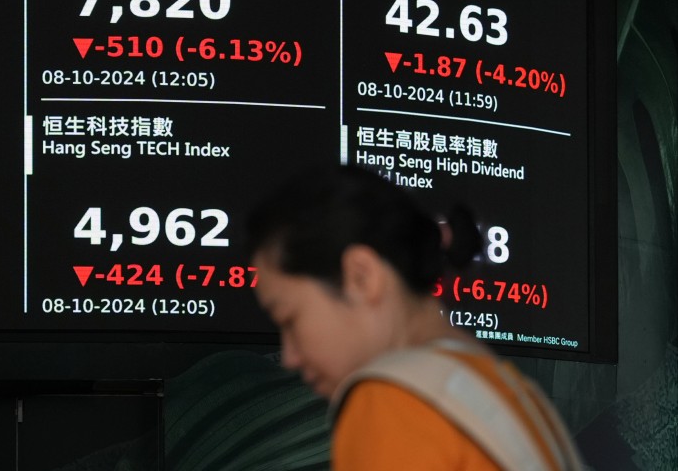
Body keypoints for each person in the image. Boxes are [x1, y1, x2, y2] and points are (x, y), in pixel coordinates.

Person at [247, 162, 584, 470]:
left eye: (290, 319)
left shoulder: (391, 404)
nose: (289, 357)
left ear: (362, 277)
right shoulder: (515, 395)